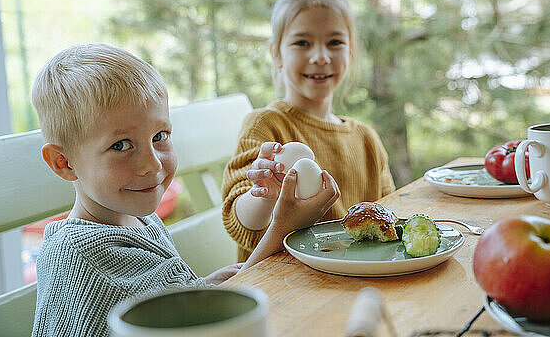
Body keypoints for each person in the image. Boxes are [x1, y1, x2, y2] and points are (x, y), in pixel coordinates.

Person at [30, 43, 340, 337]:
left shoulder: (136, 219)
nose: (151, 164)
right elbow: (211, 327)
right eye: (121, 145)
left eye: (160, 135)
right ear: (63, 162)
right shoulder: (90, 254)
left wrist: (203, 286)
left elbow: (173, 310)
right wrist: (284, 227)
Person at [222, 0, 396, 262]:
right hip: (284, 288)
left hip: (353, 280)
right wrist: (265, 194)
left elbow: (389, 217)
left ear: (350, 52)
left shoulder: (366, 139)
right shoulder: (266, 126)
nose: (320, 57)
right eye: (302, 43)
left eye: (335, 42)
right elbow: (241, 223)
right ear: (277, 54)